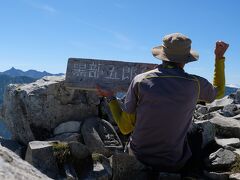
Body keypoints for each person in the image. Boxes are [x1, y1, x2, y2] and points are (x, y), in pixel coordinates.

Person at [96, 33, 229, 173]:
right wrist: (219, 57)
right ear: (186, 59)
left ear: (162, 55)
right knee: (195, 131)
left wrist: (110, 98)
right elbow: (219, 91)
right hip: (174, 162)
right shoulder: (196, 83)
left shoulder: (140, 80)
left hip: (138, 157)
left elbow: (124, 128)